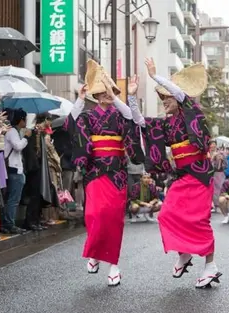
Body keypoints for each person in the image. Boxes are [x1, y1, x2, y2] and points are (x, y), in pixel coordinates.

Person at [129, 59, 221, 288]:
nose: (163, 102)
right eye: (160, 98)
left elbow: (180, 94)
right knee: (166, 215)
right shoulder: (167, 125)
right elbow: (139, 121)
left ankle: (210, 266)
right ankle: (184, 254)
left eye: (165, 98)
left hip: (200, 176)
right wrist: (131, 97)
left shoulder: (192, 111)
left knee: (199, 221)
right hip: (182, 177)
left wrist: (154, 76)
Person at [72, 59, 144, 287]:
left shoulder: (120, 115)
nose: (105, 95)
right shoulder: (86, 116)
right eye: (101, 92)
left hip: (116, 174)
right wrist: (79, 99)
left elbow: (134, 122)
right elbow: (70, 127)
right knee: (94, 215)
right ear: (95, 95)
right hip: (94, 172)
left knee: (113, 219)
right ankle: (94, 254)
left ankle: (114, 264)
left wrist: (123, 99)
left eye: (109, 91)